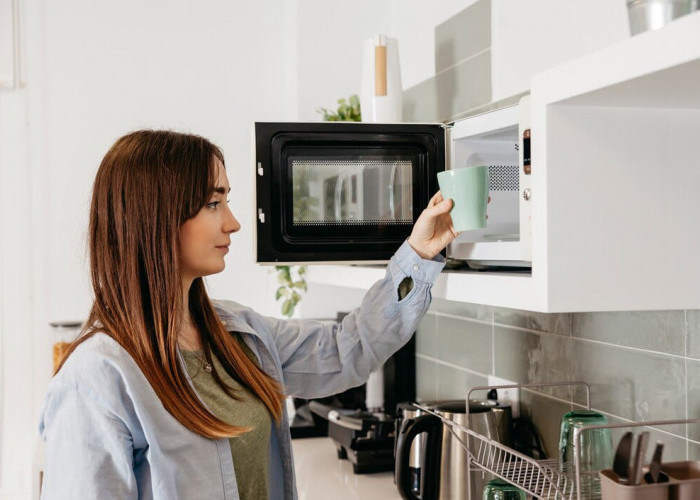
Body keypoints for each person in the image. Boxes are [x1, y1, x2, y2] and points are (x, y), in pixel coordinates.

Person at [38, 130, 457, 499]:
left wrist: (417, 255)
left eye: (227, 201)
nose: (235, 223)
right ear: (157, 216)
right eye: (213, 203)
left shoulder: (238, 333)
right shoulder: (96, 380)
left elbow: (348, 349)